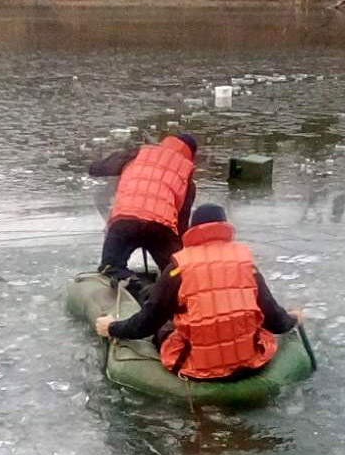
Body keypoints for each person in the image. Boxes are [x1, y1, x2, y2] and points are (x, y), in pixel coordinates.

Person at [95, 204, 303, 381]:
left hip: (197, 368)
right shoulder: (246, 263)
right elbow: (274, 318)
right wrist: (293, 319)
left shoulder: (179, 267)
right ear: (225, 228)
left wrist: (113, 327)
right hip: (249, 363)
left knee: (165, 326)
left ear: (193, 229)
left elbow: (147, 323)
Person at [88, 133, 198, 293]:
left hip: (125, 221)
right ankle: (167, 297)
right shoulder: (186, 175)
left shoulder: (138, 152)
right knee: (176, 273)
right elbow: (182, 224)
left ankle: (131, 282)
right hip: (161, 228)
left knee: (110, 267)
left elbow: (96, 169)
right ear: (191, 155)